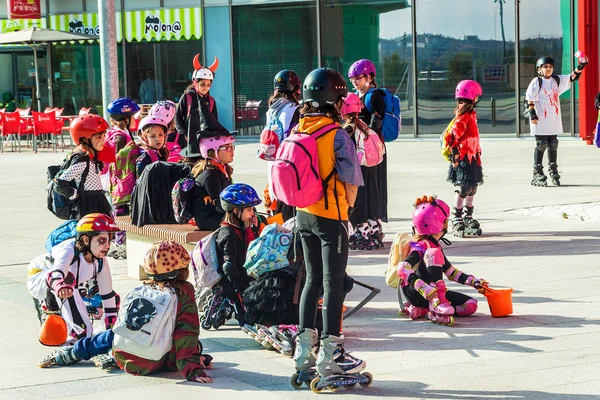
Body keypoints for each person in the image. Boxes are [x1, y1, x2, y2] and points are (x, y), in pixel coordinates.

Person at [291, 68, 369, 391]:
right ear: (333, 100)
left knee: (311, 281)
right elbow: (352, 183)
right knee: (333, 284)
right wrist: (346, 213)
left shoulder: (299, 128)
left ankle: (303, 357)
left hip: (302, 216)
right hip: (330, 218)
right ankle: (331, 354)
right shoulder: (337, 134)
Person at [38, 240, 213, 384]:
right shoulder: (183, 292)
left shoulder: (142, 289)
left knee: (111, 335)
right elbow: (185, 333)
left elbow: (123, 327)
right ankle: (111, 358)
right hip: (151, 362)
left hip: (122, 353)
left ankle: (72, 353)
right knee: (194, 346)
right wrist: (192, 370)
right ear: (182, 270)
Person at [396, 195, 487, 326]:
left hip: (434, 294)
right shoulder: (422, 245)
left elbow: (451, 273)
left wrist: (474, 282)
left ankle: (425, 309)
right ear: (440, 223)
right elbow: (402, 268)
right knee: (433, 253)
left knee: (470, 305)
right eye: (446, 220)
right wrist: (424, 288)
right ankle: (435, 305)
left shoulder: (435, 245)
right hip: (417, 293)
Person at [28, 214, 121, 341]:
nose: (108, 246)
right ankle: (51, 306)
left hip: (68, 284)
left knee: (113, 299)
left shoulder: (100, 260)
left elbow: (108, 295)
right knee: (67, 283)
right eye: (102, 240)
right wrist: (59, 286)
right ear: (85, 240)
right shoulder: (69, 249)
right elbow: (55, 275)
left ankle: (79, 324)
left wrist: (110, 330)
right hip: (40, 278)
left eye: (109, 240)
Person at [525, 55, 587, 186]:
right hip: (540, 118)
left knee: (553, 144)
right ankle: (537, 172)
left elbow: (572, 77)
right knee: (541, 144)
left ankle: (553, 170)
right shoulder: (537, 82)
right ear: (539, 69)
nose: (548, 69)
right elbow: (530, 97)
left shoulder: (556, 80)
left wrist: (581, 66)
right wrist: (532, 113)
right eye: (545, 67)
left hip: (553, 119)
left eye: (550, 67)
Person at [205, 183, 262, 328]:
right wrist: (242, 291)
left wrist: (252, 229)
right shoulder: (228, 234)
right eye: (249, 210)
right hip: (234, 284)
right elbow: (229, 267)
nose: (253, 214)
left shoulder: (241, 228)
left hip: (245, 277)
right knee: (251, 322)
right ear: (236, 210)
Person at [348, 58, 388, 240]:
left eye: (359, 77)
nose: (355, 81)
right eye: (352, 78)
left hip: (371, 150)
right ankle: (370, 223)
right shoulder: (356, 96)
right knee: (365, 186)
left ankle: (371, 222)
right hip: (361, 149)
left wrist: (364, 134)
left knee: (371, 186)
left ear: (370, 77)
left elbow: (377, 123)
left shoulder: (375, 95)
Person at [341, 92, 382, 250]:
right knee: (370, 200)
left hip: (357, 171)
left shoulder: (347, 130)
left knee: (358, 202)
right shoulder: (364, 126)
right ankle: (373, 230)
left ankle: (360, 231)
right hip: (370, 169)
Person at [446, 80, 484, 237]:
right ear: (473, 98)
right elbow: (451, 136)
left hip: (474, 157)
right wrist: (454, 152)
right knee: (463, 188)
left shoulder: (471, 115)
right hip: (463, 158)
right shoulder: (463, 117)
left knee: (473, 187)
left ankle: (468, 216)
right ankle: (456, 217)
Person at [263, 69, 302, 221]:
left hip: (272, 160)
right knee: (290, 203)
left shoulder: (272, 109)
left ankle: (279, 233)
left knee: (277, 198)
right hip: (289, 161)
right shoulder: (294, 109)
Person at [56, 115, 113, 219]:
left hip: (98, 198)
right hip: (88, 204)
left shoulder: (92, 156)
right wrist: (75, 195)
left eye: (104, 136)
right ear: (85, 139)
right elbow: (60, 182)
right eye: (98, 137)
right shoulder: (83, 160)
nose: (103, 140)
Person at [176, 54, 219, 158]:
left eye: (208, 85)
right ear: (196, 83)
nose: (205, 88)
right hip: (187, 141)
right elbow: (177, 116)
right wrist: (184, 134)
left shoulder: (211, 101)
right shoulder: (187, 97)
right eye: (203, 84)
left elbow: (214, 122)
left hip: (205, 141)